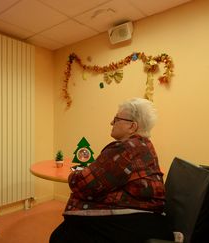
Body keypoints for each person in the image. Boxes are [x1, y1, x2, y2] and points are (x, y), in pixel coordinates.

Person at [50, 98, 174, 243]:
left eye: (116, 119)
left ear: (132, 126)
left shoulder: (125, 149)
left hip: (138, 221)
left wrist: (75, 174)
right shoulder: (143, 144)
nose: (111, 123)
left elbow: (83, 184)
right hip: (152, 217)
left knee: (60, 236)